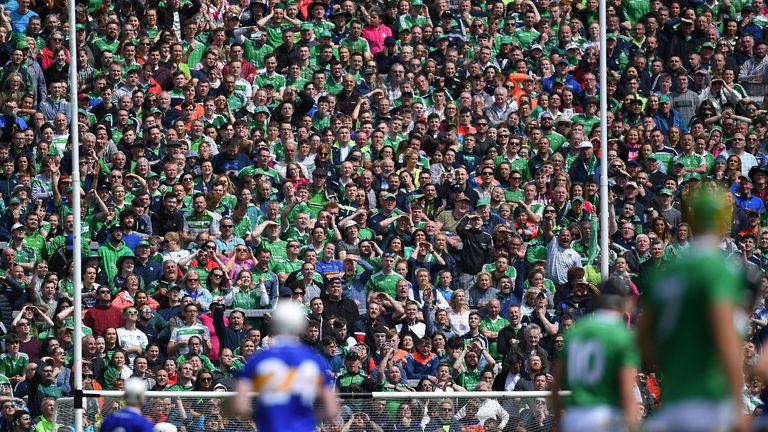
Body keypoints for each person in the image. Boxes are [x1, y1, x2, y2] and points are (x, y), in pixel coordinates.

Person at [640, 185, 745, 432]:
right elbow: (724, 336)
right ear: (722, 221)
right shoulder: (718, 269)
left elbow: (644, 339)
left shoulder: (665, 271)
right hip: (708, 399)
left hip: (674, 398)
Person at [233, 301, 339, 431]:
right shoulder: (312, 360)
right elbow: (332, 408)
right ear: (300, 326)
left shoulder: (259, 360)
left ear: (275, 325)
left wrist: (262, 417)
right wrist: (306, 419)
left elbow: (239, 406)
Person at [552, 276, 638, 431]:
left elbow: (555, 386)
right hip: (605, 417)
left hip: (574, 417)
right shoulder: (622, 335)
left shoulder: (575, 332)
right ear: (625, 302)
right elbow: (627, 391)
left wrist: (561, 421)